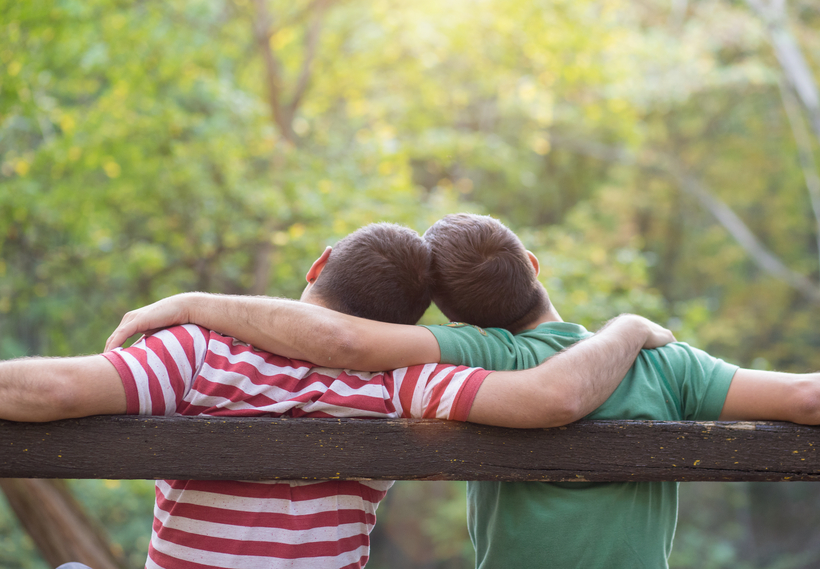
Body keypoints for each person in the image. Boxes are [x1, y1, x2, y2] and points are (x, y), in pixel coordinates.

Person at [109, 214, 820, 568]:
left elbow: (341, 340)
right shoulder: (668, 366)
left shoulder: (481, 354)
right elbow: (811, 400)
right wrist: (632, 325)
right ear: (533, 263)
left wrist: (191, 304)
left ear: (449, 318)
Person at [4, 221, 674, 569]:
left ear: (318, 264)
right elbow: (543, 398)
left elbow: (54, 387)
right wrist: (629, 328)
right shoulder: (402, 382)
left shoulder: (198, 350)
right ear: (405, 326)